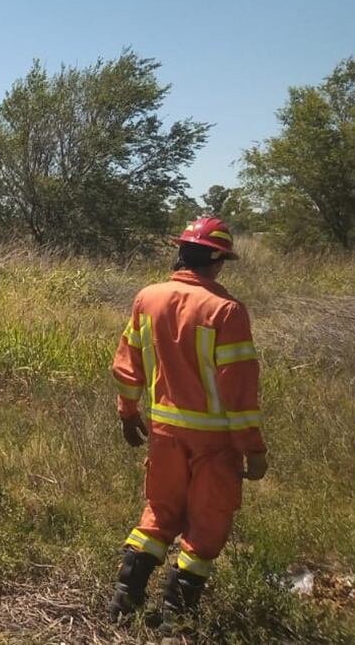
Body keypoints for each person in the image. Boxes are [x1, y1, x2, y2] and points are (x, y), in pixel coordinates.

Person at [107, 217, 266, 628]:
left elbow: (128, 366)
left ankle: (125, 597)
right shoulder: (226, 311)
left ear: (181, 253)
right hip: (215, 442)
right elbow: (240, 392)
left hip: (164, 434)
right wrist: (253, 448)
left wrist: (128, 412)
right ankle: (176, 619)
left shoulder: (148, 298)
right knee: (206, 525)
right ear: (217, 260)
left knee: (159, 513)